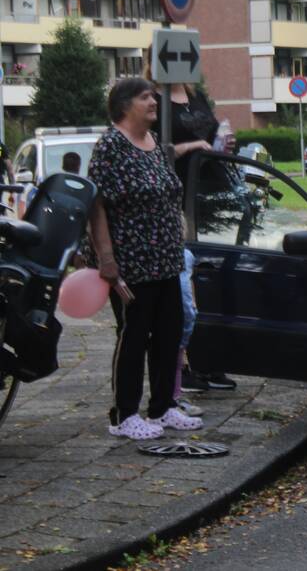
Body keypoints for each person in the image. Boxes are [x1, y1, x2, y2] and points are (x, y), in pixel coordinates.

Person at [87, 78, 203, 440]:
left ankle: (163, 407)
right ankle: (124, 415)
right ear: (125, 105)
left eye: (153, 96)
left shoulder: (153, 142)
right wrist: (106, 258)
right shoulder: (111, 145)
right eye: (145, 97)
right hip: (131, 263)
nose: (154, 101)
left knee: (169, 333)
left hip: (166, 260)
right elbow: (96, 205)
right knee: (134, 336)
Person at [145, 54, 238, 393]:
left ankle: (209, 358)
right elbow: (153, 150)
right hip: (178, 199)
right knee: (185, 285)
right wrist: (189, 147)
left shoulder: (195, 95)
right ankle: (182, 367)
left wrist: (224, 142)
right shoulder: (152, 101)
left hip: (210, 195)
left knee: (213, 278)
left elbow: (211, 133)